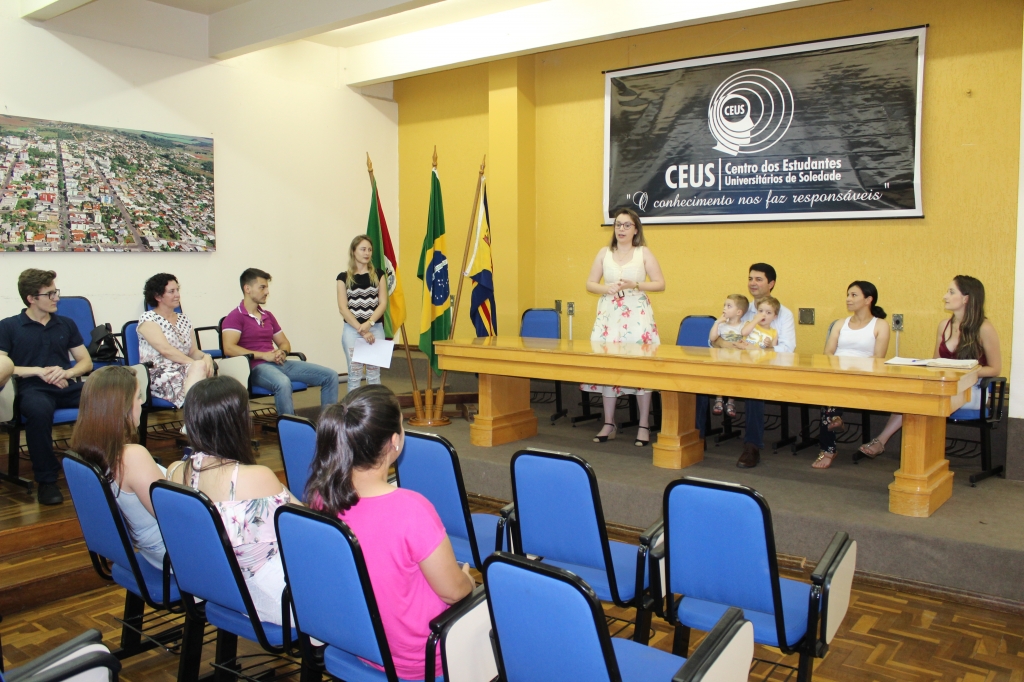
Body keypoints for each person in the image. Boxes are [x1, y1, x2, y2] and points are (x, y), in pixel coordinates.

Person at [305, 385, 474, 681]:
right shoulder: (412, 509)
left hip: (358, 643)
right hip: (420, 659)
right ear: (394, 442)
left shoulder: (322, 497)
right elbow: (452, 591)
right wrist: (469, 581)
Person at [166, 376, 299, 625]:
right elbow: (310, 525)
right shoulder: (254, 478)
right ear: (235, 423)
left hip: (217, 589)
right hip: (266, 597)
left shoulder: (175, 472)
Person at [858, 275, 1000, 459]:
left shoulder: (984, 328)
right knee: (911, 394)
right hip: (945, 387)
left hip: (971, 389)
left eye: (951, 292)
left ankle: (887, 444)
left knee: (920, 399)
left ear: (966, 298)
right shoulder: (944, 325)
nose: (945, 296)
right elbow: (936, 362)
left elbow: (995, 369)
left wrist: (962, 371)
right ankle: (910, 454)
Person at [0, 269, 92, 505]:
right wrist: (39, 371)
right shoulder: (9, 326)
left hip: (64, 384)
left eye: (55, 292)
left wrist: (67, 372)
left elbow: (86, 361)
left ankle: (101, 465)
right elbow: (3, 366)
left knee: (105, 396)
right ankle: (47, 480)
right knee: (39, 411)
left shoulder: (65, 324)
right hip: (31, 388)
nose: (56, 298)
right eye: (50, 294)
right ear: (31, 298)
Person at [581, 207, 665, 447]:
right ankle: (609, 423)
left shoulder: (643, 253)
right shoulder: (604, 253)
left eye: (627, 225)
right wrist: (604, 288)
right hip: (609, 315)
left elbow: (660, 284)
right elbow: (590, 283)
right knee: (608, 366)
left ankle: (643, 425)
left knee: (640, 369)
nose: (621, 229)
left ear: (636, 229)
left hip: (637, 316)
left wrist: (636, 284)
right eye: (618, 225)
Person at [70, 365, 167, 568]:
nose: (142, 402)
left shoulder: (85, 452)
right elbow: (173, 516)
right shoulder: (131, 456)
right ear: (121, 407)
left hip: (151, 552)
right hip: (173, 555)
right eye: (138, 396)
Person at [705, 263, 797, 468]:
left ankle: (752, 446)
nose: (752, 283)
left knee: (754, 390)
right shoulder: (740, 308)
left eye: (758, 279)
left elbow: (788, 348)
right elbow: (714, 339)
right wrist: (725, 344)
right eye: (750, 279)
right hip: (736, 366)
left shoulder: (783, 313)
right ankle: (697, 436)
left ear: (771, 284)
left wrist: (757, 351)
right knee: (698, 379)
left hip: (766, 368)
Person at [222, 268, 339, 416]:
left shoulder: (267, 316)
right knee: (283, 383)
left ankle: (330, 426)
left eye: (267, 287)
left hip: (278, 363)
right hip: (255, 368)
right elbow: (229, 348)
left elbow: (284, 342)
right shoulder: (235, 316)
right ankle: (288, 429)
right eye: (262, 287)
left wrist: (282, 352)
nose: (267, 292)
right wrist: (264, 355)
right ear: (247, 289)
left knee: (331, 376)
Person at [813, 281, 890, 469]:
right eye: (848, 294)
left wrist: (853, 370)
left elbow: (878, 358)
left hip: (864, 376)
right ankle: (834, 424)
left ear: (868, 300)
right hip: (837, 374)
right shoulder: (840, 324)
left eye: (854, 295)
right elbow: (828, 353)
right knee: (829, 393)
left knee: (830, 400)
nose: (848, 299)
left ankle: (830, 444)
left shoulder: (880, 325)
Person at [137, 274, 214, 408]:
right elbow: (166, 350)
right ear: (157, 296)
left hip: (184, 369)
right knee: (201, 372)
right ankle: (194, 418)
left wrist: (206, 357)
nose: (177, 295)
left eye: (177, 290)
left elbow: (193, 351)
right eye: (171, 291)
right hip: (158, 373)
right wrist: (197, 364)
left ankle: (195, 419)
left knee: (206, 371)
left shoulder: (184, 319)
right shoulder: (148, 319)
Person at [337, 235, 387, 392]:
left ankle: (374, 413)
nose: (367, 253)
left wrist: (369, 324)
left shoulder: (379, 274)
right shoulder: (343, 277)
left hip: (375, 328)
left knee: (374, 375)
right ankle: (353, 413)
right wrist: (361, 329)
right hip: (352, 330)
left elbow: (383, 303)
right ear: (353, 251)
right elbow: (343, 308)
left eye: (370, 250)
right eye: (363, 249)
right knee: (354, 374)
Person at [708, 294, 748, 418]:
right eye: (724, 305)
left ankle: (731, 401)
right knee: (719, 377)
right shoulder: (722, 325)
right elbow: (712, 338)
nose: (724, 308)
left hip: (737, 361)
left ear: (739, 312)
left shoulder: (744, 325)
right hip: (722, 359)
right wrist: (717, 322)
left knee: (734, 379)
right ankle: (719, 398)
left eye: (729, 306)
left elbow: (748, 339)